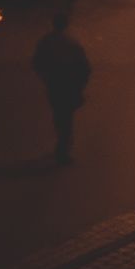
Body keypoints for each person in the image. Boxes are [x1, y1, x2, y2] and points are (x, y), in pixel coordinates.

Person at [32, 10, 92, 166]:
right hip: (69, 85)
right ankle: (63, 149)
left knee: (59, 116)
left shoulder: (47, 42)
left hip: (54, 84)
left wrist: (46, 77)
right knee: (66, 118)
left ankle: (62, 147)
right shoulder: (72, 44)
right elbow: (84, 67)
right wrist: (80, 86)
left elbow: (37, 62)